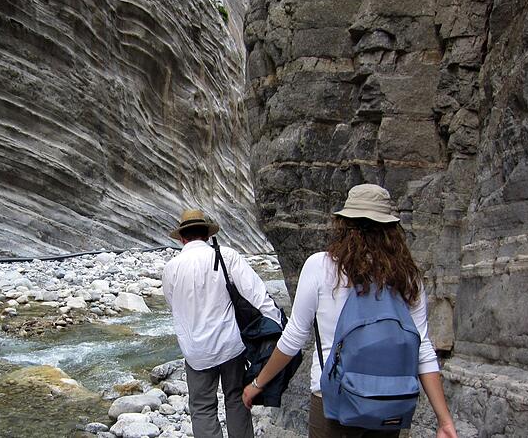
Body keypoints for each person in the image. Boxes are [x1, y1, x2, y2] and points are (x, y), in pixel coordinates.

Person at [241, 184, 458, 438]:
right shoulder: (408, 277)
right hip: (389, 402)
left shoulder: (321, 267)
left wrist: (258, 383)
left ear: (343, 224)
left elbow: (294, 338)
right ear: (390, 229)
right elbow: (422, 349)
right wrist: (444, 420)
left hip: (333, 400)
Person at [162, 208, 282, 438]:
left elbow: (173, 304)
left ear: (182, 238)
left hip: (196, 352)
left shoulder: (171, 268)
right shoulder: (226, 256)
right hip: (231, 345)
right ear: (207, 235)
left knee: (202, 407)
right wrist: (278, 325)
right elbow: (257, 294)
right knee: (236, 399)